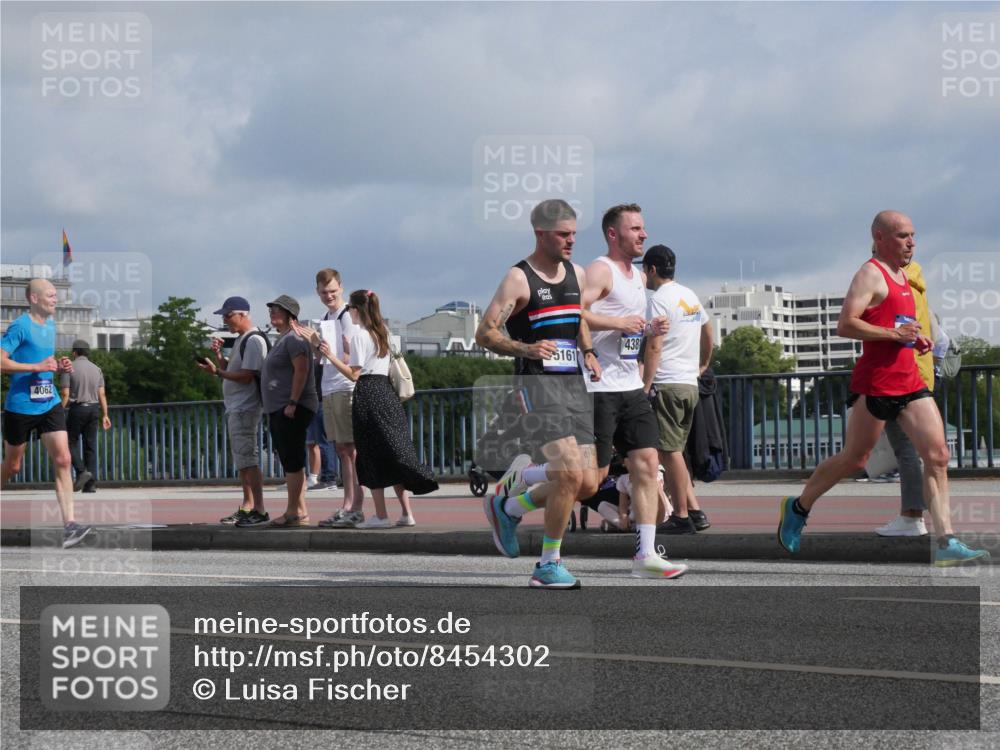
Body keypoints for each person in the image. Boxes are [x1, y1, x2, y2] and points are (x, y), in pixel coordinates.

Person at [777, 211, 989, 566]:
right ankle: (797, 508)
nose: (911, 242)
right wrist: (894, 335)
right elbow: (846, 324)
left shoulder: (905, 276)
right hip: (877, 383)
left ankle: (946, 541)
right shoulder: (869, 274)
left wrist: (916, 339)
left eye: (913, 235)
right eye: (903, 236)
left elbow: (898, 324)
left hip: (911, 382)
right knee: (855, 458)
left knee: (938, 455)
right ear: (880, 237)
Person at [474, 198, 603, 589]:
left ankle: (509, 503)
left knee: (588, 484)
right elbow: (485, 333)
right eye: (564, 235)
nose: (571, 242)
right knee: (568, 471)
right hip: (536, 384)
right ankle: (548, 565)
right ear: (540, 234)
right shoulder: (519, 278)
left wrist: (588, 350)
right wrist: (526, 348)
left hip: (574, 384)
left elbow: (577, 316)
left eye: (575, 235)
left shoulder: (577, 274)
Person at [301, 290, 436, 527]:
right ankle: (406, 513)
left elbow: (354, 374)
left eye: (351, 308)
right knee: (393, 452)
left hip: (368, 394)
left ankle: (381, 515)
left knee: (372, 456)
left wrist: (331, 356)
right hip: (386, 393)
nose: (349, 312)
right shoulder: (383, 332)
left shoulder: (360, 336)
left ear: (356, 309)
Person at [1, 278, 91, 548]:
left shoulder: (50, 325)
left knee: (63, 459)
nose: (56, 300)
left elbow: (44, 361)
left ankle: (70, 526)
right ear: (34, 299)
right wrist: (36, 367)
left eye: (56, 295)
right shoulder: (20, 326)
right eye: (51, 295)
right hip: (20, 406)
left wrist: (59, 366)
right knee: (13, 466)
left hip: (48, 401)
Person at [641, 244, 713, 534]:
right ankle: (694, 511)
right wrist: (704, 363)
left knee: (668, 452)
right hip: (689, 383)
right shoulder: (689, 295)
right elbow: (709, 330)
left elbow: (654, 344)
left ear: (652, 270)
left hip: (667, 382)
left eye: (644, 269)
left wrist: (646, 384)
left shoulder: (659, 300)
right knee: (676, 451)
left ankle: (682, 516)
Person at [873, 254, 937, 537]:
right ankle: (935, 524)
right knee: (931, 452)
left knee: (907, 449)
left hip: (899, 375)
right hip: (922, 371)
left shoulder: (896, 284)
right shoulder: (918, 280)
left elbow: (900, 328)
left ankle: (912, 517)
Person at [198, 296, 269, 526]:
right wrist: (219, 359)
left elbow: (247, 376)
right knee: (242, 459)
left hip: (246, 406)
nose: (226, 320)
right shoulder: (242, 339)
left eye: (228, 315)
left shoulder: (254, 340)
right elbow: (235, 370)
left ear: (243, 314)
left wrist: (218, 373)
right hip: (237, 406)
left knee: (249, 458)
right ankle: (247, 506)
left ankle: (258, 508)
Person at [259, 295, 319, 527]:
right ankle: (300, 509)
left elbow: (301, 370)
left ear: (290, 314)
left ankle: (293, 511)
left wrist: (293, 402)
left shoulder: (294, 338)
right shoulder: (285, 338)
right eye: (272, 309)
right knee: (290, 459)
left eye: (278, 310)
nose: (273, 312)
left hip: (291, 406)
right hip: (282, 406)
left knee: (292, 460)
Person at [313, 269, 365, 527]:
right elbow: (324, 357)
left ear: (341, 288)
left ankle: (355, 504)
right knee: (341, 448)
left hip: (345, 386)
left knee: (350, 449)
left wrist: (329, 353)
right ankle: (348, 503)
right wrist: (315, 345)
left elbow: (352, 358)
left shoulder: (347, 316)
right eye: (324, 292)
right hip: (330, 386)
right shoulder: (327, 317)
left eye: (332, 291)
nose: (329, 296)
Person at [59, 338, 111, 493]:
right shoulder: (97, 369)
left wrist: (58, 411)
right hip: (94, 410)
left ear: (74, 352)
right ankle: (90, 485)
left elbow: (65, 394)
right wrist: (105, 415)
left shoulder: (69, 367)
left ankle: (81, 472)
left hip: (77, 409)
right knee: (90, 447)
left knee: (69, 442)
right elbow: (102, 394)